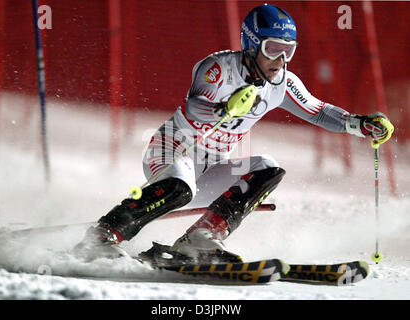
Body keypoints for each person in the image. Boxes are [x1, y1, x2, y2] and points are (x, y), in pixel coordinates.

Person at [74, 4, 394, 265]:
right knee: (181, 185)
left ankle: (200, 239)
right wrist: (225, 107)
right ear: (253, 44)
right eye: (273, 50)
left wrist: (360, 124)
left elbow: (318, 110)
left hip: (209, 170)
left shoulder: (281, 82)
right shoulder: (217, 68)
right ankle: (103, 235)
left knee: (267, 168)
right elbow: (194, 108)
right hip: (172, 153)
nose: (281, 61)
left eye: (289, 52)